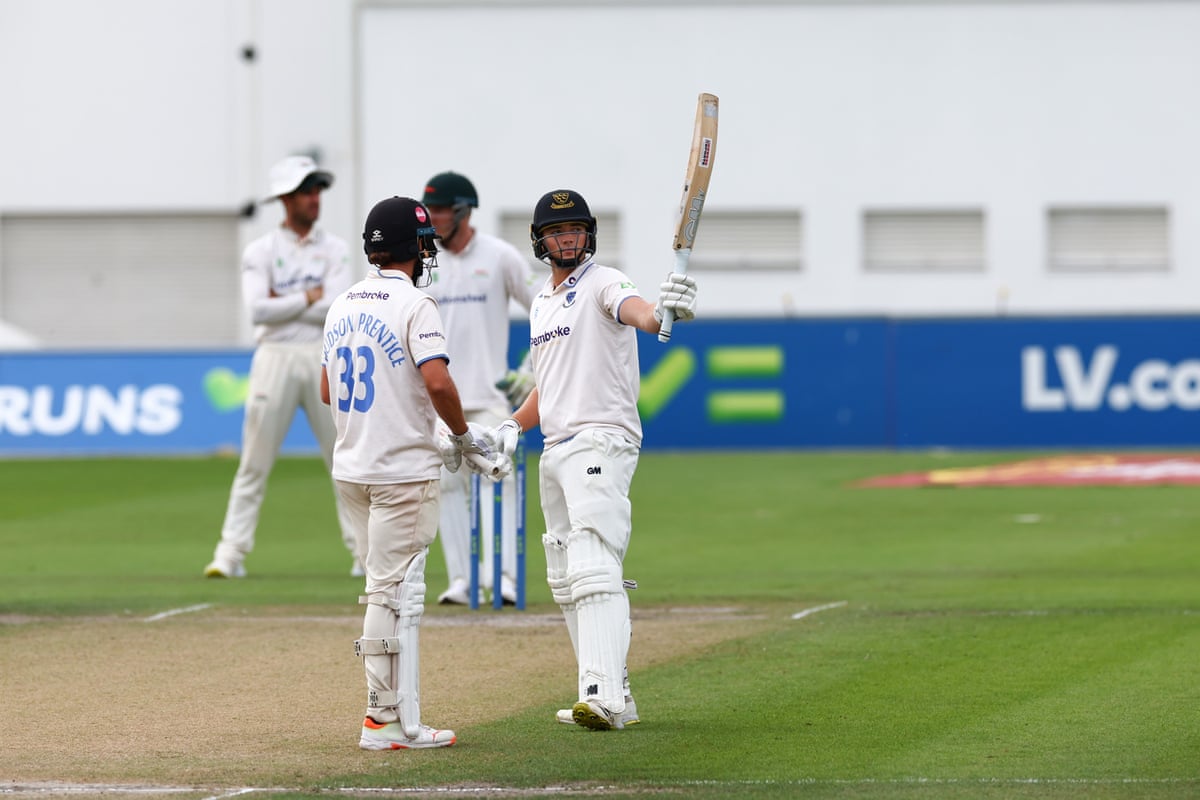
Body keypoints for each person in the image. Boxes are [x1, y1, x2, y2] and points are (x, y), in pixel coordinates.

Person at [484, 189, 698, 731]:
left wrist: (664, 308)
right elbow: (546, 384)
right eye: (557, 232)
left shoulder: (605, 281)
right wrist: (512, 424)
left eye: (575, 230)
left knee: (594, 564)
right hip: (555, 446)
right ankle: (614, 693)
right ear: (540, 241)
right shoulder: (540, 302)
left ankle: (599, 695)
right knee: (564, 576)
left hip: (601, 440)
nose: (567, 239)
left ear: (589, 235)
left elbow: (643, 316)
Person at [320, 195, 504, 750]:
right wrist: (465, 439)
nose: (430, 252)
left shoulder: (343, 302)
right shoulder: (416, 304)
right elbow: (440, 383)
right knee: (392, 594)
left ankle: (393, 714)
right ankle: (382, 718)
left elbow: (329, 389)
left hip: (352, 467)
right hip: (400, 470)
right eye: (425, 243)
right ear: (413, 247)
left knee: (386, 589)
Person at [204, 155, 361, 579]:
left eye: (317, 190)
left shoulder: (337, 249)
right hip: (273, 357)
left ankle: (363, 554)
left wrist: (289, 303)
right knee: (254, 463)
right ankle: (229, 554)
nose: (315, 198)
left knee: (345, 461)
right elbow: (258, 311)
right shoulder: (260, 251)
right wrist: (308, 297)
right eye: (307, 191)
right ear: (286, 198)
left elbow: (334, 307)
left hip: (323, 355)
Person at [420, 171, 539, 606]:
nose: (433, 218)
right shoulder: (423, 266)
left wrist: (531, 369)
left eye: (441, 210)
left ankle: (504, 577)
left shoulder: (500, 256)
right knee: (447, 487)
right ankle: (462, 580)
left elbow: (544, 309)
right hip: (439, 401)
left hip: (490, 398)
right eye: (429, 210)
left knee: (497, 480)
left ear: (464, 210)